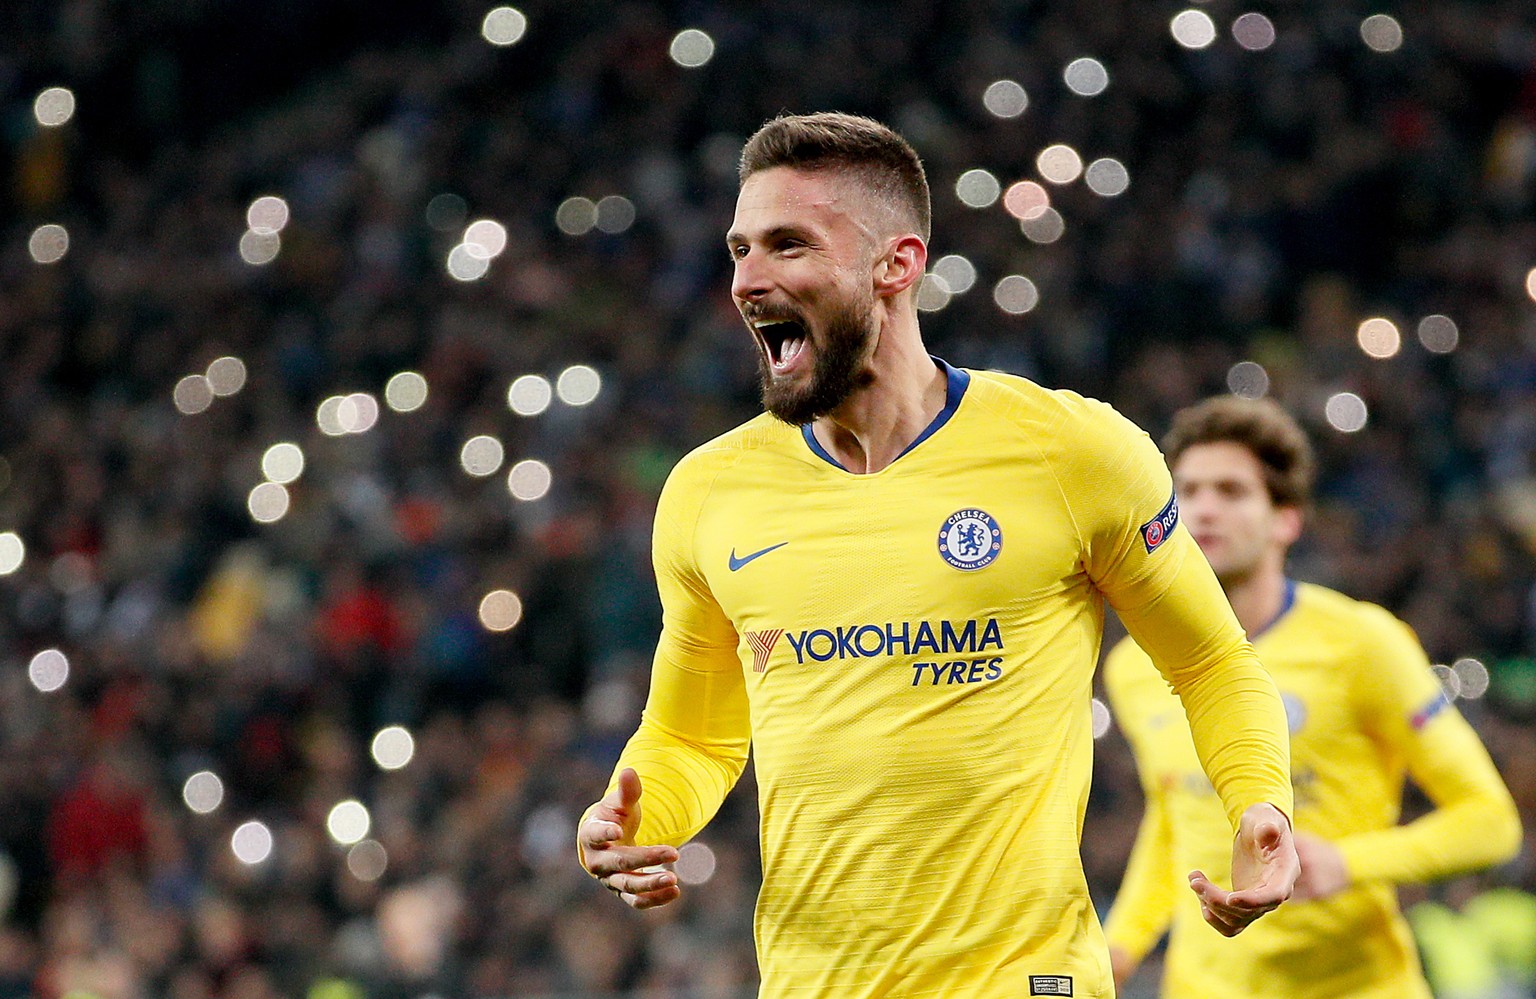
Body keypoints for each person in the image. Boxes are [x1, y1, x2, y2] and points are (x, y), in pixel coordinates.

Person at [577, 112, 1301, 999]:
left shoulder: (1071, 453)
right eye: (739, 249)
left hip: (1024, 980)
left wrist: (1260, 802)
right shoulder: (709, 491)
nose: (749, 281)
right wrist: (639, 817)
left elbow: (1212, 662)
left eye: (788, 245)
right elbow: (693, 732)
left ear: (897, 263)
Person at [1102, 395, 1523, 999]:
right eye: (1187, 492)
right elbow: (1173, 818)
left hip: (1356, 984)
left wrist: (1349, 864)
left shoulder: (1362, 642)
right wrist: (1121, 946)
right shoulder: (1134, 665)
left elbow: (1491, 823)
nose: (1204, 509)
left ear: (1287, 520)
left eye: (1231, 490)